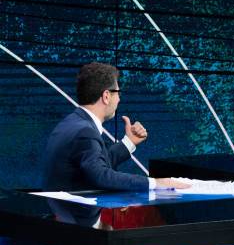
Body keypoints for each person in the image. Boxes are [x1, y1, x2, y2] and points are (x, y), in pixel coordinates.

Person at [42, 62, 188, 192]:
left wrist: (129, 142)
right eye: (117, 93)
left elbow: (96, 164)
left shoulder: (73, 123)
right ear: (106, 96)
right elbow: (102, 176)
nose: (119, 99)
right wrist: (155, 183)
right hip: (77, 218)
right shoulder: (84, 131)